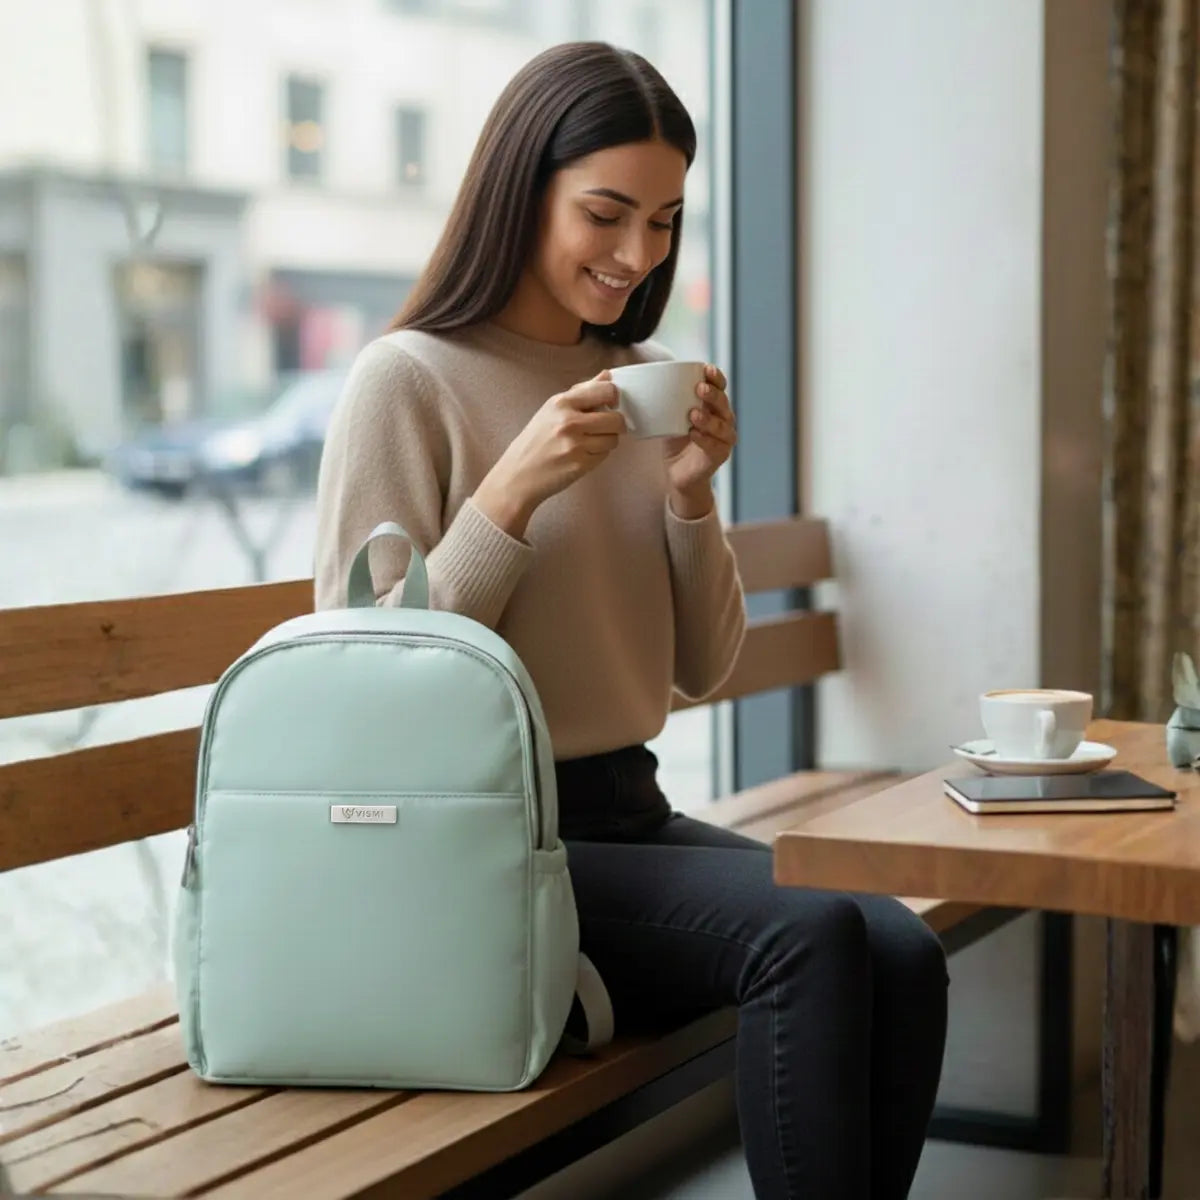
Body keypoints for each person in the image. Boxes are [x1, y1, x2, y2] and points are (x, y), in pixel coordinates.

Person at [314, 40, 947, 1200]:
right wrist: (510, 491)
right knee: (804, 936)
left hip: (629, 816)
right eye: (605, 213)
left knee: (901, 947)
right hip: (481, 848)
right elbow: (366, 697)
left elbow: (704, 669)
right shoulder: (405, 382)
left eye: (663, 220)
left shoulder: (639, 377)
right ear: (523, 187)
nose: (636, 254)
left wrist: (689, 496)